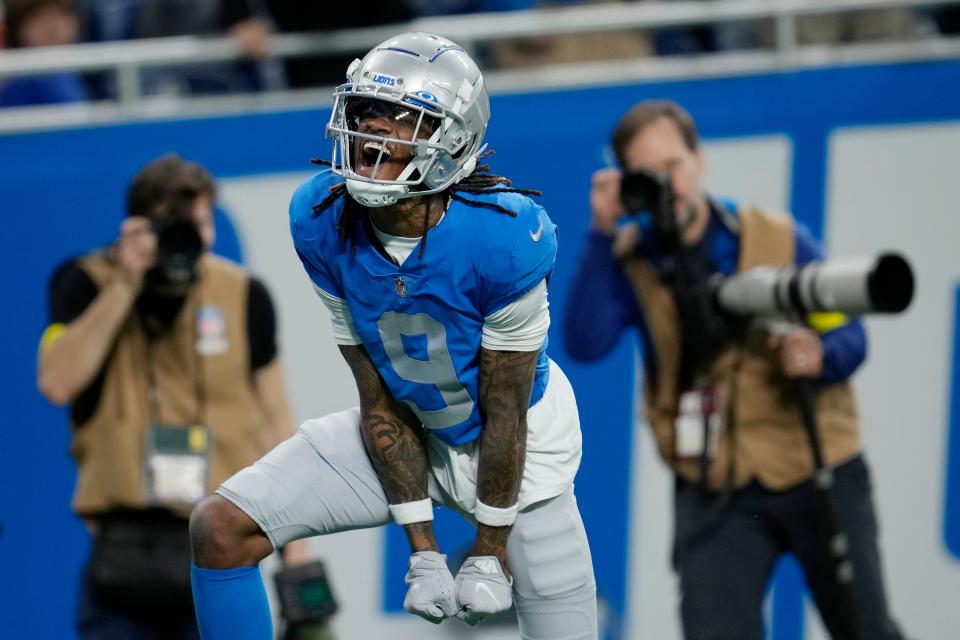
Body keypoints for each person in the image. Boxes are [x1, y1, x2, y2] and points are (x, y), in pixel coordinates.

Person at [188, 31, 598, 640]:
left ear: (450, 139)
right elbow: (376, 391)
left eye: (399, 118)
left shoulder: (504, 237)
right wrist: (423, 548)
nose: (371, 133)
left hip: (524, 450)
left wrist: (488, 549)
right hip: (409, 419)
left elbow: (504, 410)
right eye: (364, 113)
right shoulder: (321, 217)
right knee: (220, 527)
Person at [564, 100, 905, 640]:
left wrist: (820, 355)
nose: (667, 183)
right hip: (715, 483)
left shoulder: (776, 238)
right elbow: (585, 342)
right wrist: (602, 232)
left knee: (867, 629)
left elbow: (849, 331)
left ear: (700, 161)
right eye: (647, 174)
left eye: (673, 166)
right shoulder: (632, 259)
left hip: (817, 464)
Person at [37, 153, 303, 639]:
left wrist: (297, 546)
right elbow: (57, 382)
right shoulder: (86, 283)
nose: (188, 238)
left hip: (224, 539)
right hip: (122, 552)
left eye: (199, 223)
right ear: (137, 227)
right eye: (171, 225)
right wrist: (126, 282)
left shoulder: (243, 295)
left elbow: (274, 417)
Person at [0, 0, 89, 107]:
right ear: (18, 26)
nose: (53, 27)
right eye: (39, 17)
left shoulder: (75, 72)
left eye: (61, 15)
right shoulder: (15, 81)